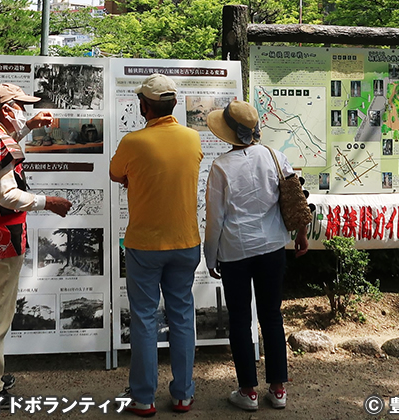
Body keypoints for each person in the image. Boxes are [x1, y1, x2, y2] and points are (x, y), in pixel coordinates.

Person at [0, 83, 72, 404]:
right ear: (7, 109)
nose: (24, 111)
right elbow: (8, 195)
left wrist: (28, 126)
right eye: (21, 107)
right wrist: (48, 201)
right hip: (2, 239)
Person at [203, 100, 309, 412]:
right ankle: (278, 389)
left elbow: (215, 219)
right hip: (273, 247)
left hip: (235, 251)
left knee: (239, 319)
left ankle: (248, 391)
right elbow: (296, 200)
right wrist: (300, 235)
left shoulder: (221, 166)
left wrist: (210, 258)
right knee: (271, 315)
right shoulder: (277, 156)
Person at [109, 74, 203, 417]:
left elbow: (116, 174)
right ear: (175, 104)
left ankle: (144, 397)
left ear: (144, 106)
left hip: (145, 244)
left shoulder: (133, 142)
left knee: (145, 319)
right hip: (186, 242)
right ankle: (182, 394)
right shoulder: (193, 139)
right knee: (181, 317)